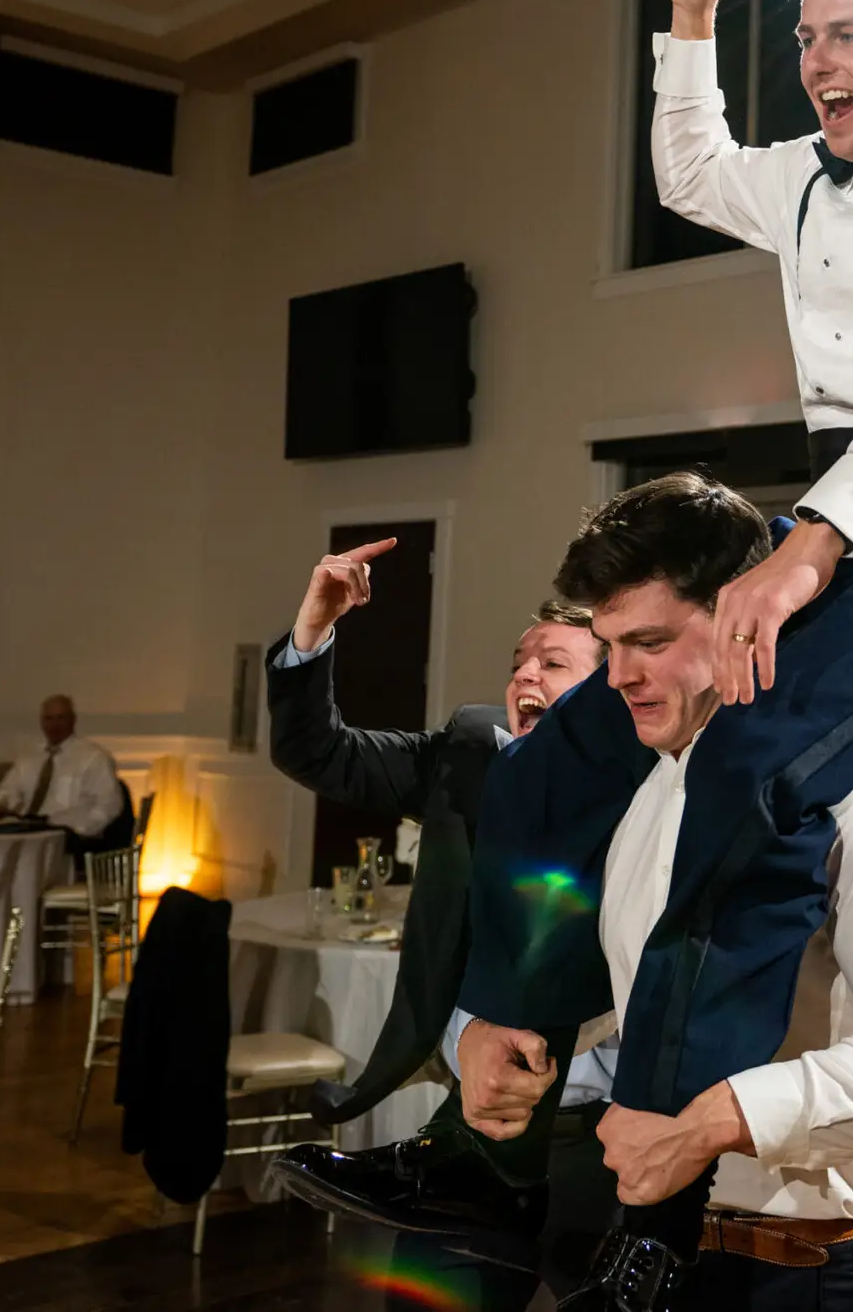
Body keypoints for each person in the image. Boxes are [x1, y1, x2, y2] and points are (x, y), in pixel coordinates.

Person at [456, 0, 853, 1298]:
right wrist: (690, 21)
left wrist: (807, 543)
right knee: (553, 762)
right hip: (846, 518)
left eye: (845, 34)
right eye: (803, 39)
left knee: (747, 757)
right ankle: (487, 1110)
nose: (814, 64)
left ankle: (654, 1213)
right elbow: (685, 171)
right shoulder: (799, 178)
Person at [467, 476, 853, 1309]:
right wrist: (516, 1036)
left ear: (746, 620)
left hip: (822, 1275)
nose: (620, 679)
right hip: (665, 1264)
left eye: (651, 642)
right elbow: (654, 989)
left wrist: (721, 1118)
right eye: (611, 646)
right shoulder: (653, 796)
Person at [265, 538, 615, 1307]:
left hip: (612, 1141)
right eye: (520, 660)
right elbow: (316, 751)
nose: (525, 672)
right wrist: (314, 628)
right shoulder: (473, 751)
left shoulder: (662, 786)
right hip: (473, 1135)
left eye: (554, 663)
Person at [0, 695, 127, 859]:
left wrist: (80, 831)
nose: (54, 725)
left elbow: (110, 805)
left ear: (72, 720)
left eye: (60, 718)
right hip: (28, 832)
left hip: (69, 839)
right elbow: (5, 792)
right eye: (48, 719)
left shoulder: (93, 757)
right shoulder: (29, 758)